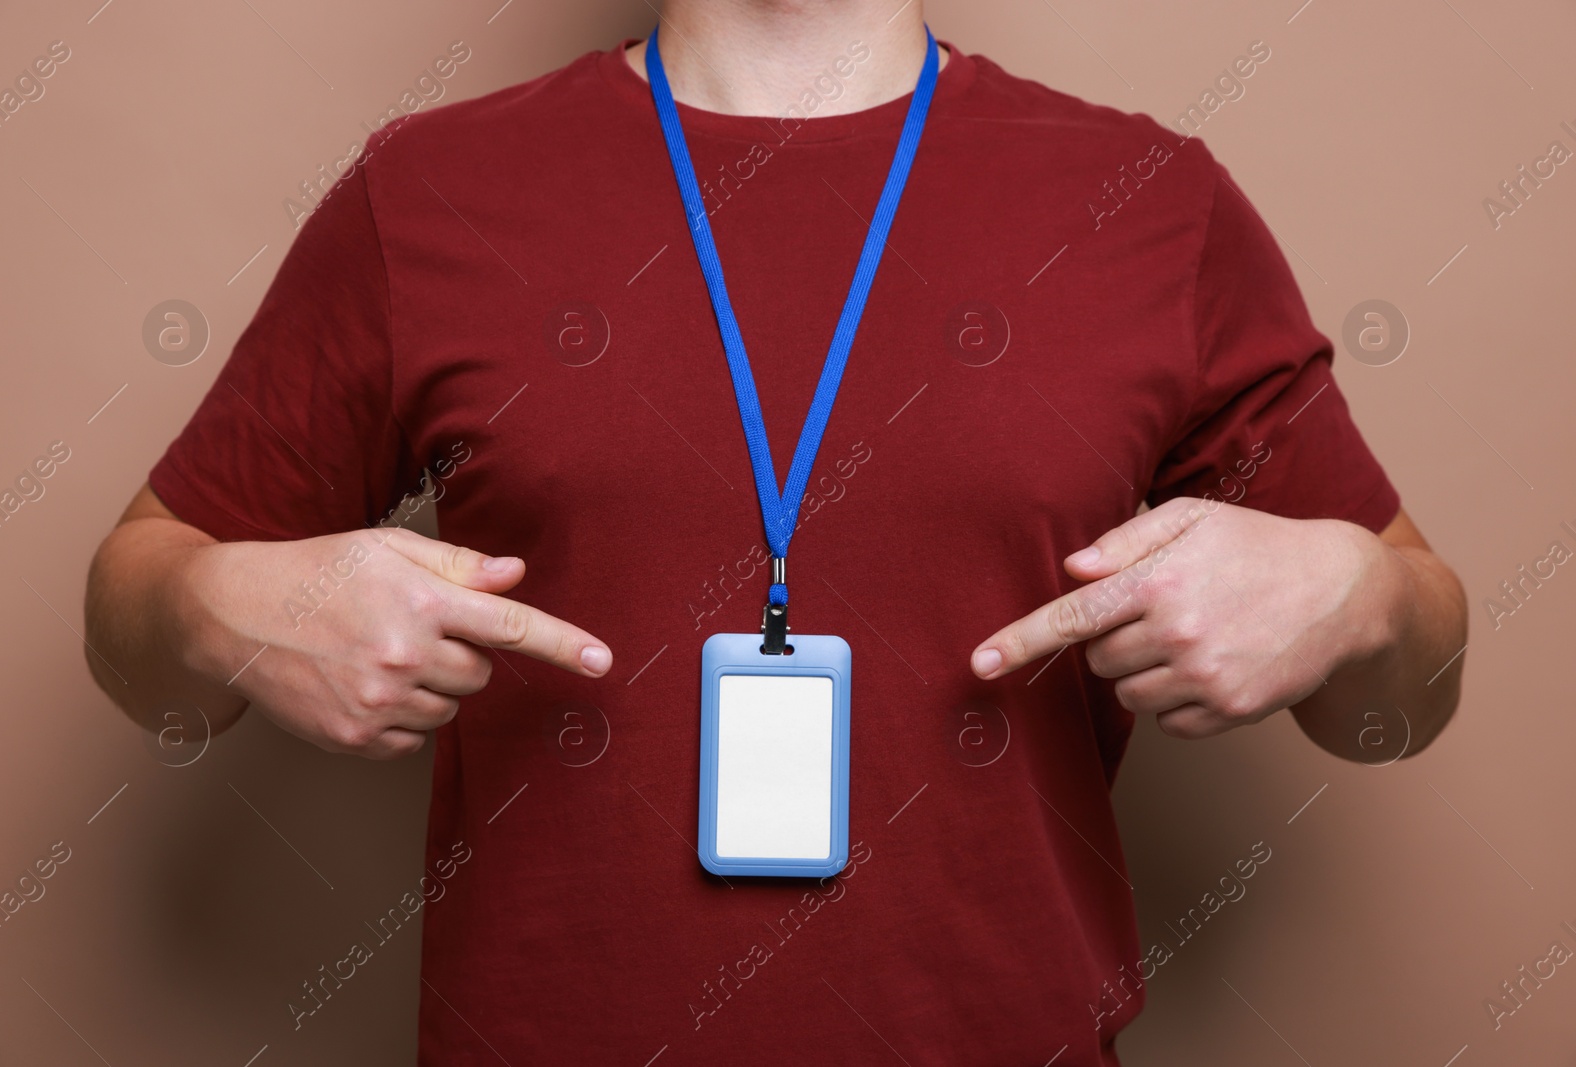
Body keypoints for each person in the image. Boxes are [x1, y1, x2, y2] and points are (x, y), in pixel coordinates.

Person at [83, 1, 1466, 1062]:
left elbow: (1401, 692)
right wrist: (216, 613)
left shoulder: (1151, 202)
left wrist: (1362, 598)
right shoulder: (429, 190)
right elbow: (134, 614)